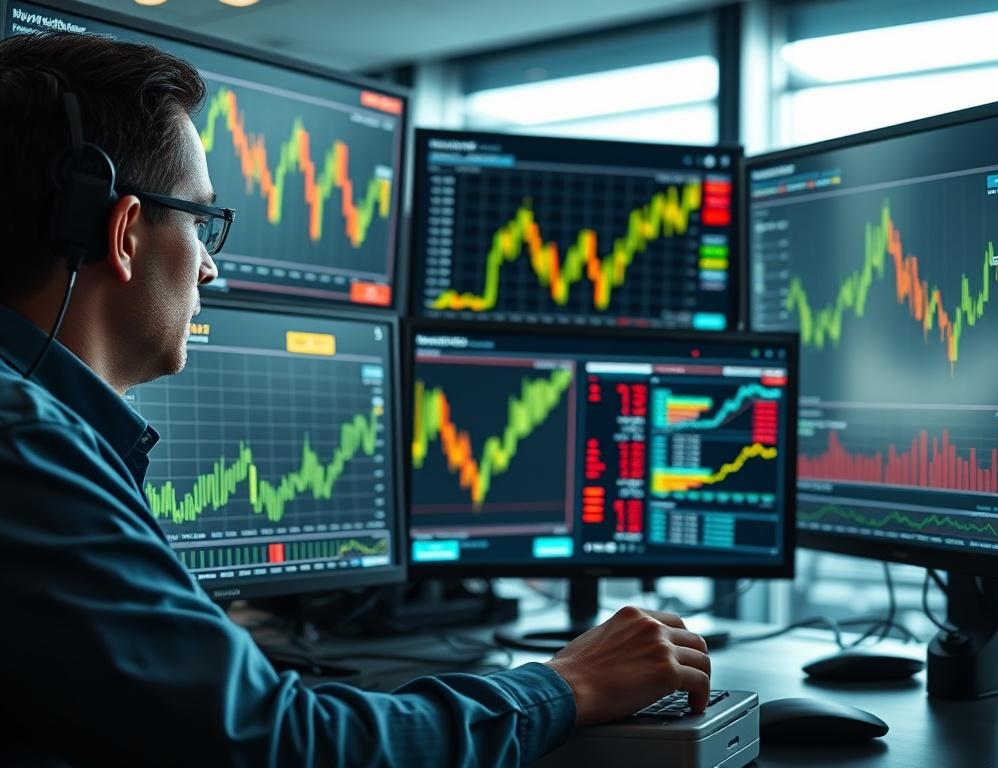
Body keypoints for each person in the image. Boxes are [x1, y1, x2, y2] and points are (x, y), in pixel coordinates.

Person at [0, 32, 711, 767]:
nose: (210, 267)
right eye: (200, 221)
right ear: (124, 233)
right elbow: (279, 745)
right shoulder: (26, 447)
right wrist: (567, 685)